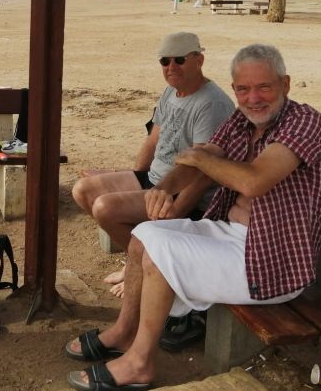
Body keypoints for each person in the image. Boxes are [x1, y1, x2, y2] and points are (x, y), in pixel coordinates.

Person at [64, 44, 321, 391]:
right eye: (243, 89)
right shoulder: (241, 120)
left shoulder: (305, 122)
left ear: (285, 84)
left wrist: (201, 159)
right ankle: (124, 332)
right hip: (231, 235)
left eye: (264, 87)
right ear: (234, 89)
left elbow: (252, 181)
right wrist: (164, 189)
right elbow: (196, 160)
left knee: (161, 251)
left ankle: (140, 363)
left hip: (272, 261)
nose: (253, 98)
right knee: (144, 235)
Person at [72, 32, 234, 300]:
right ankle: (136, 260)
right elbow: (153, 139)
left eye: (179, 60)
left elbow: (204, 173)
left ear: (199, 60)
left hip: (184, 195)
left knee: (105, 208)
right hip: (156, 180)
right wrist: (135, 176)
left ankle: (141, 267)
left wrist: (174, 213)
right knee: (83, 190)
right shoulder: (172, 90)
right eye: (165, 61)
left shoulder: (212, 103)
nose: (171, 67)